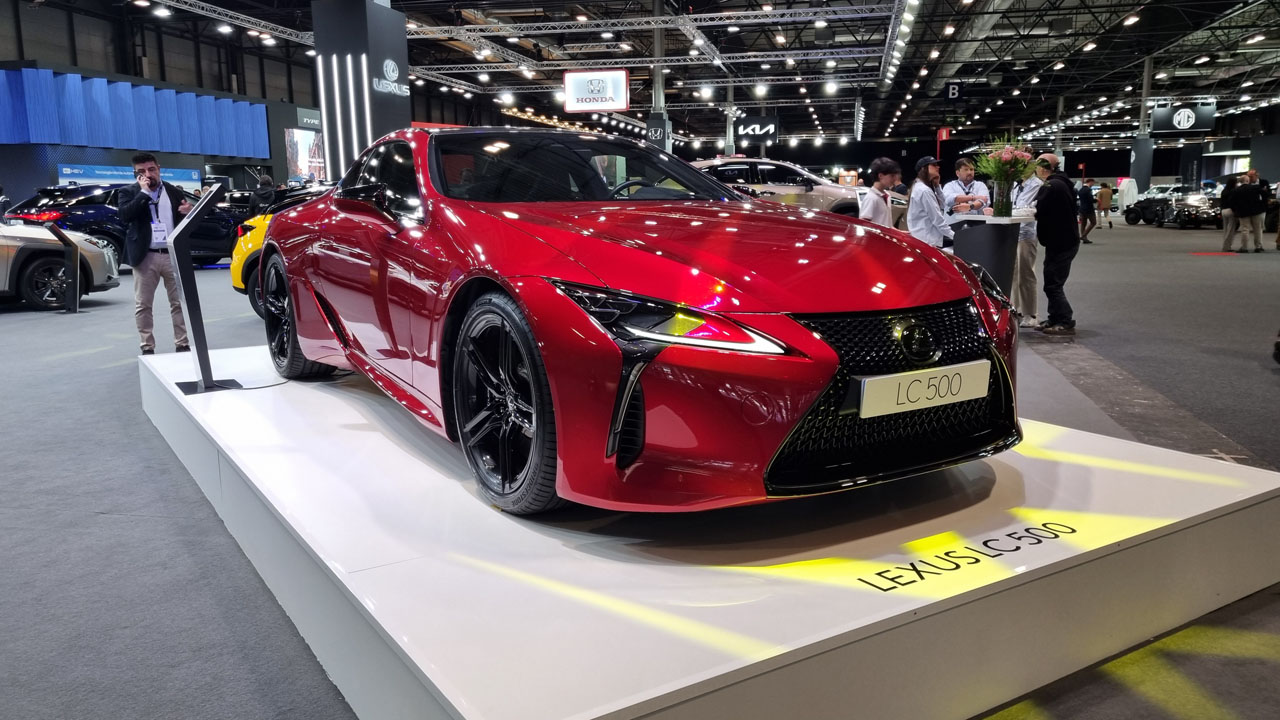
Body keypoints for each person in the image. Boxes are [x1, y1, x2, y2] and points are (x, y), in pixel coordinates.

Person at [117, 152, 193, 355]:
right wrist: (143, 193)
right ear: (135, 174)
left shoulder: (173, 191)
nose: (148, 174)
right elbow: (125, 216)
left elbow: (183, 220)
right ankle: (147, 346)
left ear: (159, 168)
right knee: (143, 304)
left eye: (151, 169)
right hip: (145, 256)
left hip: (171, 254)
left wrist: (188, 212)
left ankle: (182, 343)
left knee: (178, 303)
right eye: (142, 172)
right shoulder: (128, 192)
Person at [1033, 154, 1080, 336]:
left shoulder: (1051, 185)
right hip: (1064, 240)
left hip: (1061, 242)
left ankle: (1065, 320)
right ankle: (1054, 317)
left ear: (1042, 168)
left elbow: (1039, 210)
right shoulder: (1063, 183)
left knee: (1053, 284)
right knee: (1052, 282)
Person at [1011, 171, 1044, 328]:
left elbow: (1029, 209)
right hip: (1012, 233)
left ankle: (1031, 314)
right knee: (1014, 275)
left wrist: (1008, 211)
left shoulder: (1036, 184)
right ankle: (1017, 310)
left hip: (1027, 234)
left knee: (1026, 274)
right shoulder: (1015, 184)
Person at [906, 156, 954, 251]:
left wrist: (937, 186)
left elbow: (943, 205)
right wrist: (954, 236)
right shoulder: (924, 190)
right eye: (934, 165)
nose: (938, 167)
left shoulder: (920, 187)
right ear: (923, 168)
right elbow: (937, 219)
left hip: (925, 238)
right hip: (927, 240)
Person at [858, 157, 900, 228]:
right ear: (880, 176)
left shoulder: (887, 195)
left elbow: (887, 225)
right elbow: (864, 226)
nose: (895, 179)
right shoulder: (871, 198)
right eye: (892, 176)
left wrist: (899, 233)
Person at [1234, 173, 1267, 253]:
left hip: (1243, 212)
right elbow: (1265, 195)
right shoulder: (1255, 187)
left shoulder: (1236, 190)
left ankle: (1244, 247)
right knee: (1257, 229)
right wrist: (1261, 204)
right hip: (1256, 211)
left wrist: (1237, 210)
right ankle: (1258, 247)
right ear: (1248, 181)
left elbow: (1233, 201)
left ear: (1240, 181)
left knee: (1245, 229)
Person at [1220, 176, 1241, 252]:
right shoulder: (1233, 191)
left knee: (1226, 229)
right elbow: (1233, 202)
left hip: (1223, 210)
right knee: (1231, 230)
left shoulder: (1224, 190)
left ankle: (1225, 245)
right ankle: (1227, 247)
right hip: (1230, 211)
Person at [1077, 178, 1097, 243]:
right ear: (1090, 182)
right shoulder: (1088, 190)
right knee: (1093, 222)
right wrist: (1096, 200)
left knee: (1083, 223)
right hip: (1089, 209)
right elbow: (1091, 199)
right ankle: (1083, 235)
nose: (1093, 184)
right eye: (1093, 183)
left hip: (1082, 208)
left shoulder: (1081, 189)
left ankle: (1084, 239)